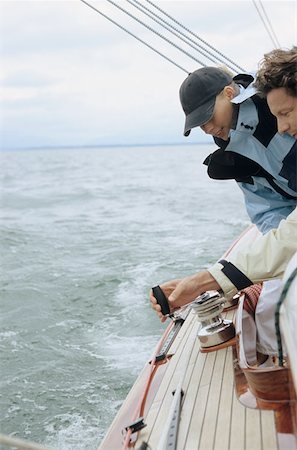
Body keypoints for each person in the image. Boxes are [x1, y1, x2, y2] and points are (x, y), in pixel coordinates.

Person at [150, 46, 297, 354]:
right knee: (271, 304)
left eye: (207, 117)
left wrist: (215, 279)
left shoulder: (273, 101)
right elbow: (267, 210)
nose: (206, 128)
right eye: (199, 124)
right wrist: (261, 266)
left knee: (275, 312)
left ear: (230, 93)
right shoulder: (231, 152)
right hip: (289, 227)